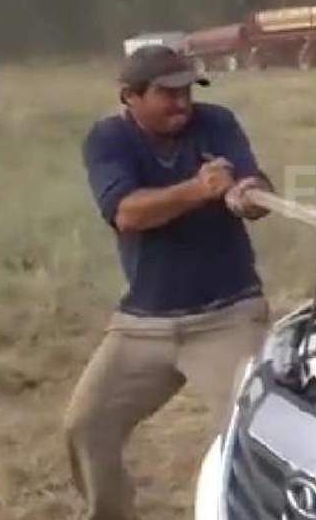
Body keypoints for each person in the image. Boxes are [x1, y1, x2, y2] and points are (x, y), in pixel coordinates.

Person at [63, 45, 273, 520]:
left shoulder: (216, 122)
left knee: (254, 434)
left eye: (187, 91)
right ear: (129, 97)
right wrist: (200, 190)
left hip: (228, 314)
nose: (183, 103)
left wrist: (248, 196)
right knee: (86, 426)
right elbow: (127, 213)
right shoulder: (107, 140)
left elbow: (257, 187)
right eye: (168, 94)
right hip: (143, 321)